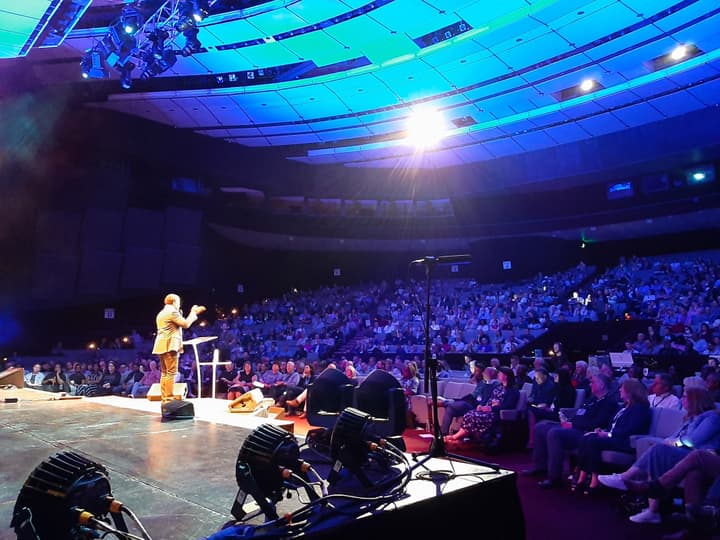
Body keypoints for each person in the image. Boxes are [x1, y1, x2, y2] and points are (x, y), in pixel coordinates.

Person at [598, 388, 720, 524]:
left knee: (660, 450)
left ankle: (627, 479)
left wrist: (673, 443)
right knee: (658, 452)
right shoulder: (689, 418)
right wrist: (670, 442)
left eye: (685, 396)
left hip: (700, 455)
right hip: (686, 454)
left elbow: (692, 441)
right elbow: (672, 438)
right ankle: (653, 510)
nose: (681, 399)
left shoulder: (711, 417)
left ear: (696, 399)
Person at [523, 373, 618, 489]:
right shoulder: (592, 399)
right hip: (575, 426)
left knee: (555, 433)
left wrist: (572, 424)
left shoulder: (608, 402)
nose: (590, 384)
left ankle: (554, 477)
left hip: (585, 432)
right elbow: (580, 413)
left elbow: (597, 423)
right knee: (540, 427)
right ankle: (540, 466)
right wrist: (568, 421)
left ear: (602, 385)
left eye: (593, 382)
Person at [572, 378, 652, 495]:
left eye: (622, 388)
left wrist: (608, 434)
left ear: (629, 392)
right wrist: (603, 431)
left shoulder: (640, 409)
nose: (619, 390)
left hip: (625, 441)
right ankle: (582, 477)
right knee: (586, 437)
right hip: (614, 437)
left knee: (593, 441)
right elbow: (613, 425)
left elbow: (631, 430)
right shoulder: (624, 407)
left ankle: (594, 480)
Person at [151, 293, 205, 404]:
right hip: (170, 345)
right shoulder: (171, 311)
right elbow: (185, 324)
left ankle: (165, 397)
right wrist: (193, 313)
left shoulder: (162, 313)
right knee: (171, 372)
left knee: (165, 373)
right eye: (178, 302)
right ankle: (169, 399)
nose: (179, 304)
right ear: (174, 302)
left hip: (161, 345)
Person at [444, 367, 519, 445]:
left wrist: (491, 408)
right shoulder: (499, 387)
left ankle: (456, 436)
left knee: (472, 416)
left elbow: (508, 405)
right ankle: (460, 436)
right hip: (487, 409)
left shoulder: (513, 390)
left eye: (500, 374)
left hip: (496, 413)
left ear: (505, 376)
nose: (498, 375)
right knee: (469, 414)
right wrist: (482, 406)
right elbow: (489, 399)